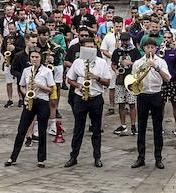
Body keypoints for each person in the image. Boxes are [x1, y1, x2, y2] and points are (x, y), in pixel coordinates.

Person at [64, 32, 111, 168]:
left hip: (96, 98)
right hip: (80, 98)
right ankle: (73, 157)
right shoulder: (78, 63)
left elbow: (107, 82)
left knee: (96, 129)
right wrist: (78, 85)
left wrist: (96, 77)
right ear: (83, 49)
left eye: (92, 47)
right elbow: (69, 79)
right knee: (78, 129)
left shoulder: (101, 63)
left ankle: (97, 157)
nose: (91, 50)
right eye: (87, 48)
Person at [130, 35, 172, 169]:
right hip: (142, 95)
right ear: (144, 48)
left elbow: (168, 79)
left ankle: (158, 158)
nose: (150, 50)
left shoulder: (161, 62)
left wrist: (156, 67)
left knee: (157, 128)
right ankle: (140, 158)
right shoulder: (137, 62)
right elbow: (134, 79)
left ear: (156, 48)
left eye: (152, 47)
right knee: (141, 127)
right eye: (148, 47)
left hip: (156, 95)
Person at [6, 49, 53, 168]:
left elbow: (51, 89)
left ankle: (41, 159)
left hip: (42, 101)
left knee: (42, 131)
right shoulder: (27, 71)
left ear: (40, 58)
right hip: (29, 100)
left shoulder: (46, 71)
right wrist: (26, 93)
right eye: (32, 57)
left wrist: (40, 86)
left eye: (37, 57)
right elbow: (21, 85)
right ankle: (13, 157)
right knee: (21, 129)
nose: (34, 59)